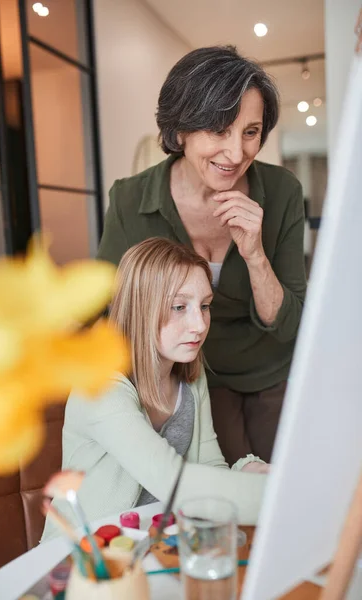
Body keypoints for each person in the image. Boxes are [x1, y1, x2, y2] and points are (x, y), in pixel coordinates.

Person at [97, 45, 307, 466]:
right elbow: (108, 310)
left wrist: (255, 255)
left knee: (287, 494)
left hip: (272, 375)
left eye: (250, 132)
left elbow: (288, 324)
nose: (236, 153)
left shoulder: (282, 191)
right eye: (218, 130)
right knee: (219, 507)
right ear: (180, 131)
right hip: (186, 382)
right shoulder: (130, 198)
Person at [42, 238, 268, 541]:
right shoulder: (99, 387)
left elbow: (209, 466)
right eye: (179, 307)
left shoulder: (190, 373)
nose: (199, 324)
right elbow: (172, 481)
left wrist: (249, 471)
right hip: (84, 556)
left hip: (153, 546)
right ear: (141, 308)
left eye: (204, 306)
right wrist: (279, 495)